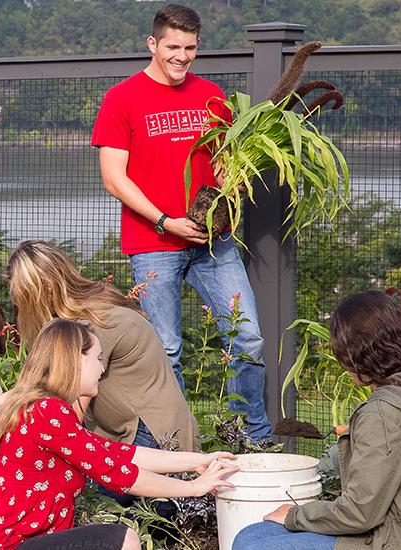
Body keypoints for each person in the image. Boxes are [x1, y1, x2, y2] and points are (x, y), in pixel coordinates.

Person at [91, 3, 272, 443]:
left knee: (247, 338)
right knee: (167, 350)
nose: (182, 56)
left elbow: (227, 164)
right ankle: (176, 446)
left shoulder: (212, 95)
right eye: (173, 46)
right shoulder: (122, 98)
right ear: (153, 43)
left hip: (214, 243)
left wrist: (234, 187)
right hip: (154, 242)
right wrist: (165, 221)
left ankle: (249, 438)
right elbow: (114, 178)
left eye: (190, 47)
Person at [0, 319, 238, 550]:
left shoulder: (46, 411)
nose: (102, 368)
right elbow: (117, 473)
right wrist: (194, 488)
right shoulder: (47, 411)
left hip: (12, 544)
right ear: (74, 361)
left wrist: (197, 461)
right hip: (5, 546)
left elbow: (119, 453)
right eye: (97, 358)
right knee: (122, 540)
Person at [0, 240, 200, 452]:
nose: (17, 304)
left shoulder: (93, 325)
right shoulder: (92, 306)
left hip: (152, 438)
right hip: (139, 431)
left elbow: (66, 413)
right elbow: (45, 386)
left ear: (42, 292)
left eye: (21, 297)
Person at [233, 290, 401, 550]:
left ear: (356, 352)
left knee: (254, 546)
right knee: (250, 536)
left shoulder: (382, 413)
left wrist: (296, 514)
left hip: (392, 538)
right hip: (389, 524)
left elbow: (359, 513)